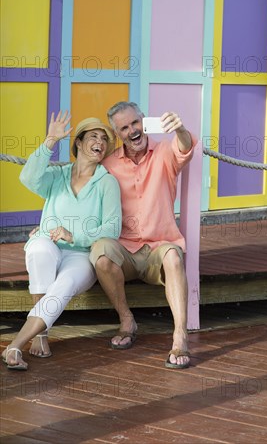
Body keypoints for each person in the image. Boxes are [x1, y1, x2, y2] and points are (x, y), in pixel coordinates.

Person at [2, 111, 122, 370]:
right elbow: (28, 178)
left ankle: (16, 344)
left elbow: (112, 228)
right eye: (93, 136)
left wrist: (74, 235)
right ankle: (42, 335)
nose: (99, 142)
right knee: (38, 249)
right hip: (51, 247)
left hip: (81, 255)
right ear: (78, 143)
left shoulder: (107, 183)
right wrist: (49, 141)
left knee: (65, 282)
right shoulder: (57, 176)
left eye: (104, 138)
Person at [90, 101, 197, 369]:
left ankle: (180, 335)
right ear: (117, 134)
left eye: (135, 123)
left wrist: (180, 128)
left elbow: (186, 146)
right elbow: (82, 192)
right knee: (101, 253)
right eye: (124, 128)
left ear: (143, 121)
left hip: (159, 248)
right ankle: (127, 320)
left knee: (173, 256)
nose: (132, 131)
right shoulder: (109, 164)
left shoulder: (164, 152)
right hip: (124, 251)